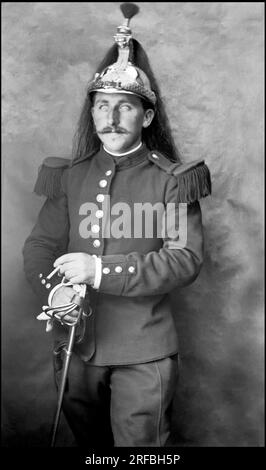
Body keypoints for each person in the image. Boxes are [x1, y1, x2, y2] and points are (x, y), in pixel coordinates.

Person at [23, 3, 211, 447]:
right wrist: (56, 294)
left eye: (124, 107)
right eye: (102, 106)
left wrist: (99, 271)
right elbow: (39, 247)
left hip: (144, 353)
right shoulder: (69, 175)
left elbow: (184, 260)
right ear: (92, 114)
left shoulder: (174, 181)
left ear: (146, 117)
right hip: (77, 344)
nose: (110, 117)